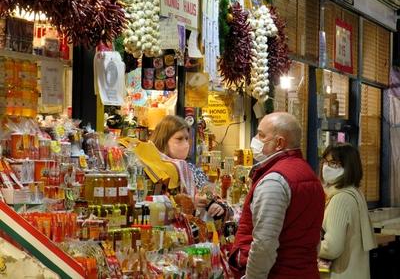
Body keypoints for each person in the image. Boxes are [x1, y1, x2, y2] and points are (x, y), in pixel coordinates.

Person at [229, 112, 325, 279]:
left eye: (261, 135)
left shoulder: (275, 180)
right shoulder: (309, 174)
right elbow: (314, 238)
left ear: (279, 143)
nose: (255, 140)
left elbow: (264, 244)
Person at [319, 143, 376, 279]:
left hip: (340, 273)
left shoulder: (340, 199)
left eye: (334, 163)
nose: (326, 167)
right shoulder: (355, 193)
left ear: (349, 167)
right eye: (325, 162)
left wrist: (307, 245)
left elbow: (331, 248)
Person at [150, 115, 225, 218]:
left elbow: (208, 191)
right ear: (164, 140)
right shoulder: (151, 168)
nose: (185, 144)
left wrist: (212, 204)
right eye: (179, 139)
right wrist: (190, 202)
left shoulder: (191, 169)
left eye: (186, 138)